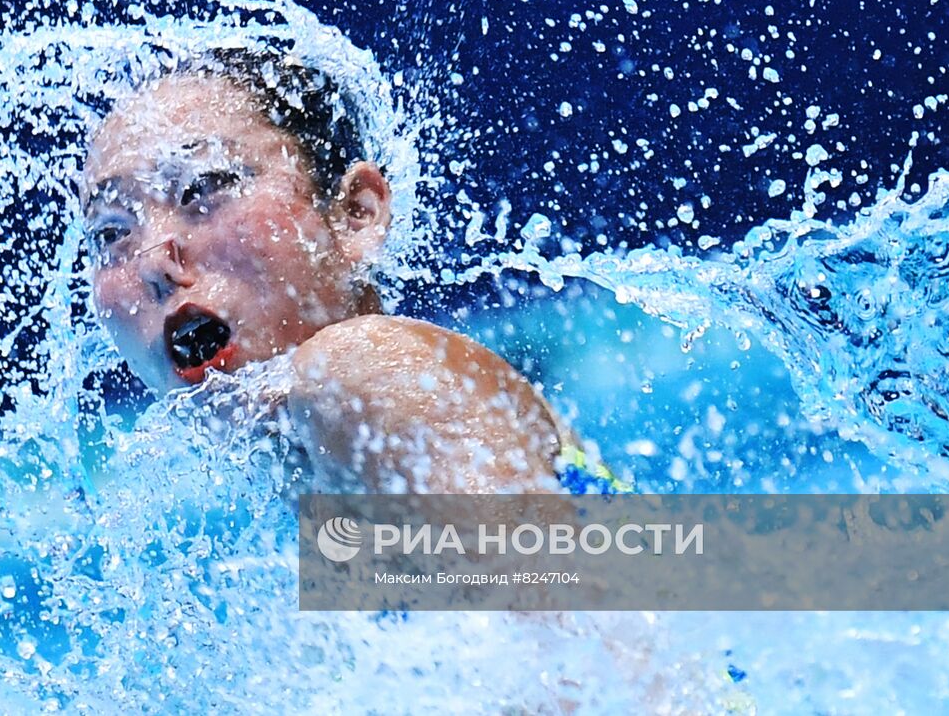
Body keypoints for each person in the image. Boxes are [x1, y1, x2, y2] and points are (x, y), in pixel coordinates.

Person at [80, 47, 623, 496]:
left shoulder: (356, 369)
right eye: (111, 232)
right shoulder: (321, 457)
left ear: (353, 217)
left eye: (205, 188)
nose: (153, 260)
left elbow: (566, 612)